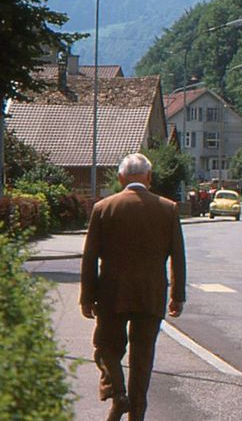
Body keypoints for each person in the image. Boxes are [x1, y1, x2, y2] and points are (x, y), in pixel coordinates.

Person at [80, 152, 186, 421]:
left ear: (120, 178)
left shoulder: (104, 208)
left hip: (111, 295)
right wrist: (177, 296)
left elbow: (90, 256)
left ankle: (118, 394)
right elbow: (178, 256)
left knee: (106, 348)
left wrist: (87, 297)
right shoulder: (168, 208)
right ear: (149, 178)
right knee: (143, 359)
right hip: (151, 296)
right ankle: (136, 415)